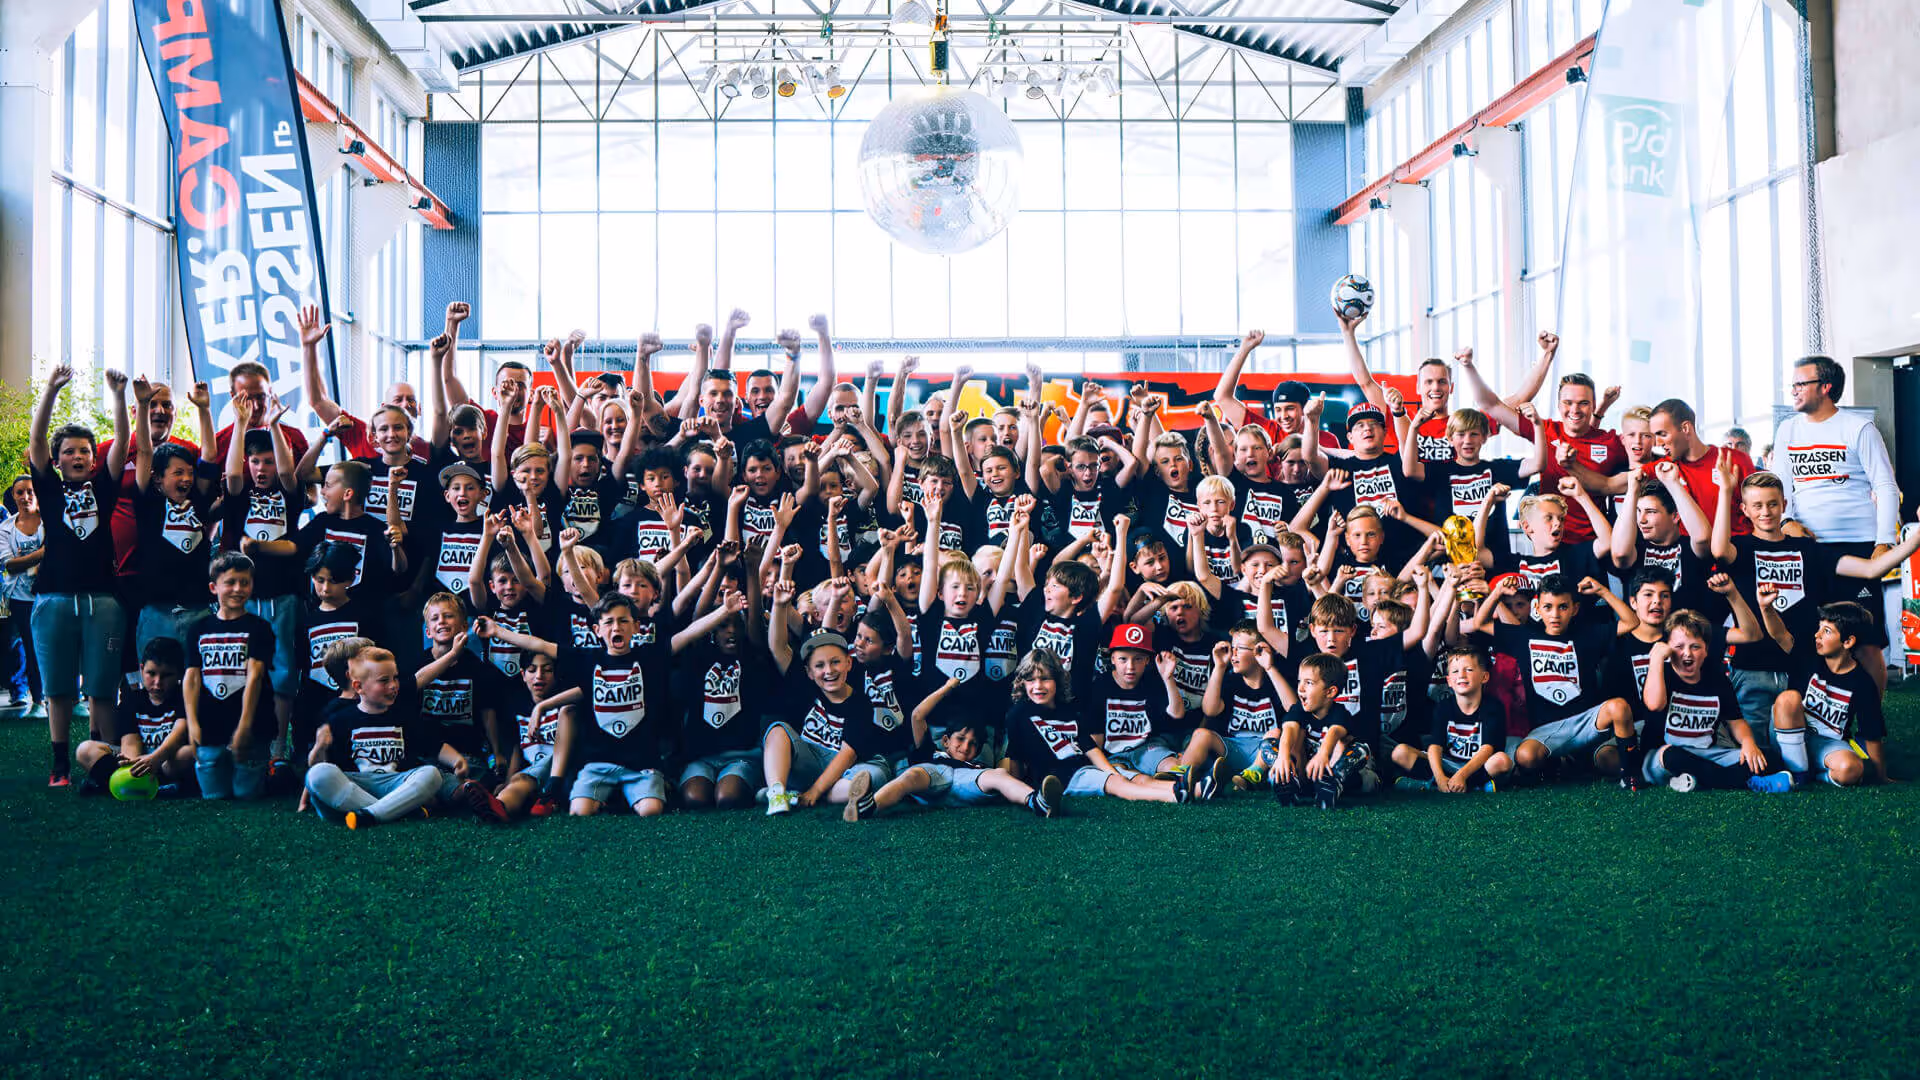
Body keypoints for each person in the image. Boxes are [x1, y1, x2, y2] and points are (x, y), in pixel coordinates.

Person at [29, 365, 131, 786]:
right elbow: (36, 440)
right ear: (57, 460)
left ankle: (98, 760)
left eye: (85, 451)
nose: (78, 457)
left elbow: (123, 442)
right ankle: (59, 763)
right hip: (53, 598)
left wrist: (119, 397)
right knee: (58, 689)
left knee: (102, 687)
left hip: (102, 600)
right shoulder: (50, 489)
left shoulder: (103, 487)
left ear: (93, 458)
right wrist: (51, 390)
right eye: (69, 451)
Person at [1772, 355, 1902, 685]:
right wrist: (1786, 519)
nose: (1794, 391)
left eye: (1801, 384)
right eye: (1794, 384)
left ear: (1826, 387)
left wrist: (1884, 541)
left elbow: (1885, 486)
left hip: (1857, 547)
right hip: (1807, 550)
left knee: (1865, 642)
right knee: (1811, 637)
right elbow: (1780, 484)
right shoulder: (1787, 429)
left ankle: (1872, 725)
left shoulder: (1858, 427)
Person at [1764, 599, 1888, 786]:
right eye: (1819, 628)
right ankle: (1799, 775)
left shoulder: (1863, 683)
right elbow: (1780, 634)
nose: (1817, 635)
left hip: (1826, 744)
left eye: (1826, 631)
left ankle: (1813, 775)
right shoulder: (1808, 656)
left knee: (1851, 768)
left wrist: (1881, 776)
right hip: (1788, 733)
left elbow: (1872, 734)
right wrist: (1766, 608)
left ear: (1847, 641)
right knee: (1788, 698)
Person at [184, 552, 277, 799]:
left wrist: (244, 726)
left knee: (246, 794)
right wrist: (192, 723)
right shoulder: (198, 629)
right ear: (214, 587)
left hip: (253, 724)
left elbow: (255, 676)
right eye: (230, 582)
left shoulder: (260, 628)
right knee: (214, 796)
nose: (238, 589)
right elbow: (192, 678)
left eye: (245, 582)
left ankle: (274, 774)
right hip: (210, 724)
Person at [74, 637, 195, 796]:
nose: (157, 683)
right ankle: (137, 784)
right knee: (85, 750)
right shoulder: (133, 699)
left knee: (188, 752)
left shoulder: (184, 697)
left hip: (166, 760)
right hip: (139, 760)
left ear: (180, 673)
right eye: (151, 674)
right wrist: (134, 767)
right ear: (141, 669)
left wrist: (155, 759)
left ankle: (112, 787)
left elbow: (179, 733)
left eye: (166, 676)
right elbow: (130, 741)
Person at [0, 475, 46, 718]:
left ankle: (73, 698)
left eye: (30, 491)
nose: (25, 497)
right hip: (21, 596)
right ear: (13, 496)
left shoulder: (51, 520)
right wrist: (43, 553)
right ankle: (37, 701)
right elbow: (9, 564)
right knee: (31, 646)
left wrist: (30, 560)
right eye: (20, 492)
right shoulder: (5, 527)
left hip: (51, 593)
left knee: (59, 646)